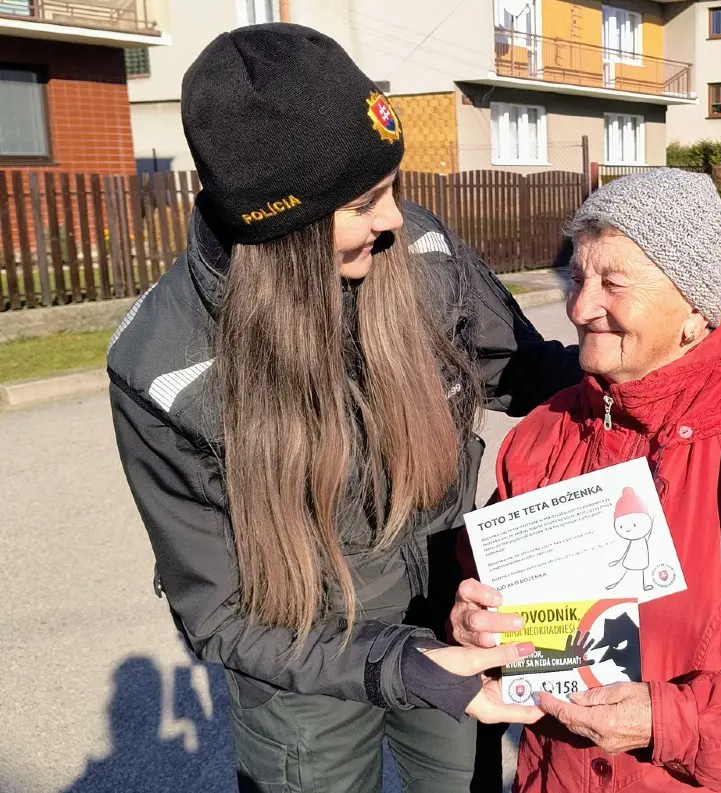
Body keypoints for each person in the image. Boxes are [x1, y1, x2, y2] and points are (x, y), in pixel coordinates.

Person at [107, 24, 580, 793]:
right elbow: (221, 613)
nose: (397, 219)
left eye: (392, 186)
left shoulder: (417, 250)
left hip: (449, 611)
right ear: (281, 225)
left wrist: (645, 365)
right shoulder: (164, 366)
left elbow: (524, 368)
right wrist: (389, 665)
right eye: (364, 202)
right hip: (302, 657)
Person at [452, 169, 721, 792]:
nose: (580, 307)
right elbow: (490, 593)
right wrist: (473, 621)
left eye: (614, 282)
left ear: (693, 308)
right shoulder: (546, 431)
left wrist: (673, 719)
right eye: (577, 278)